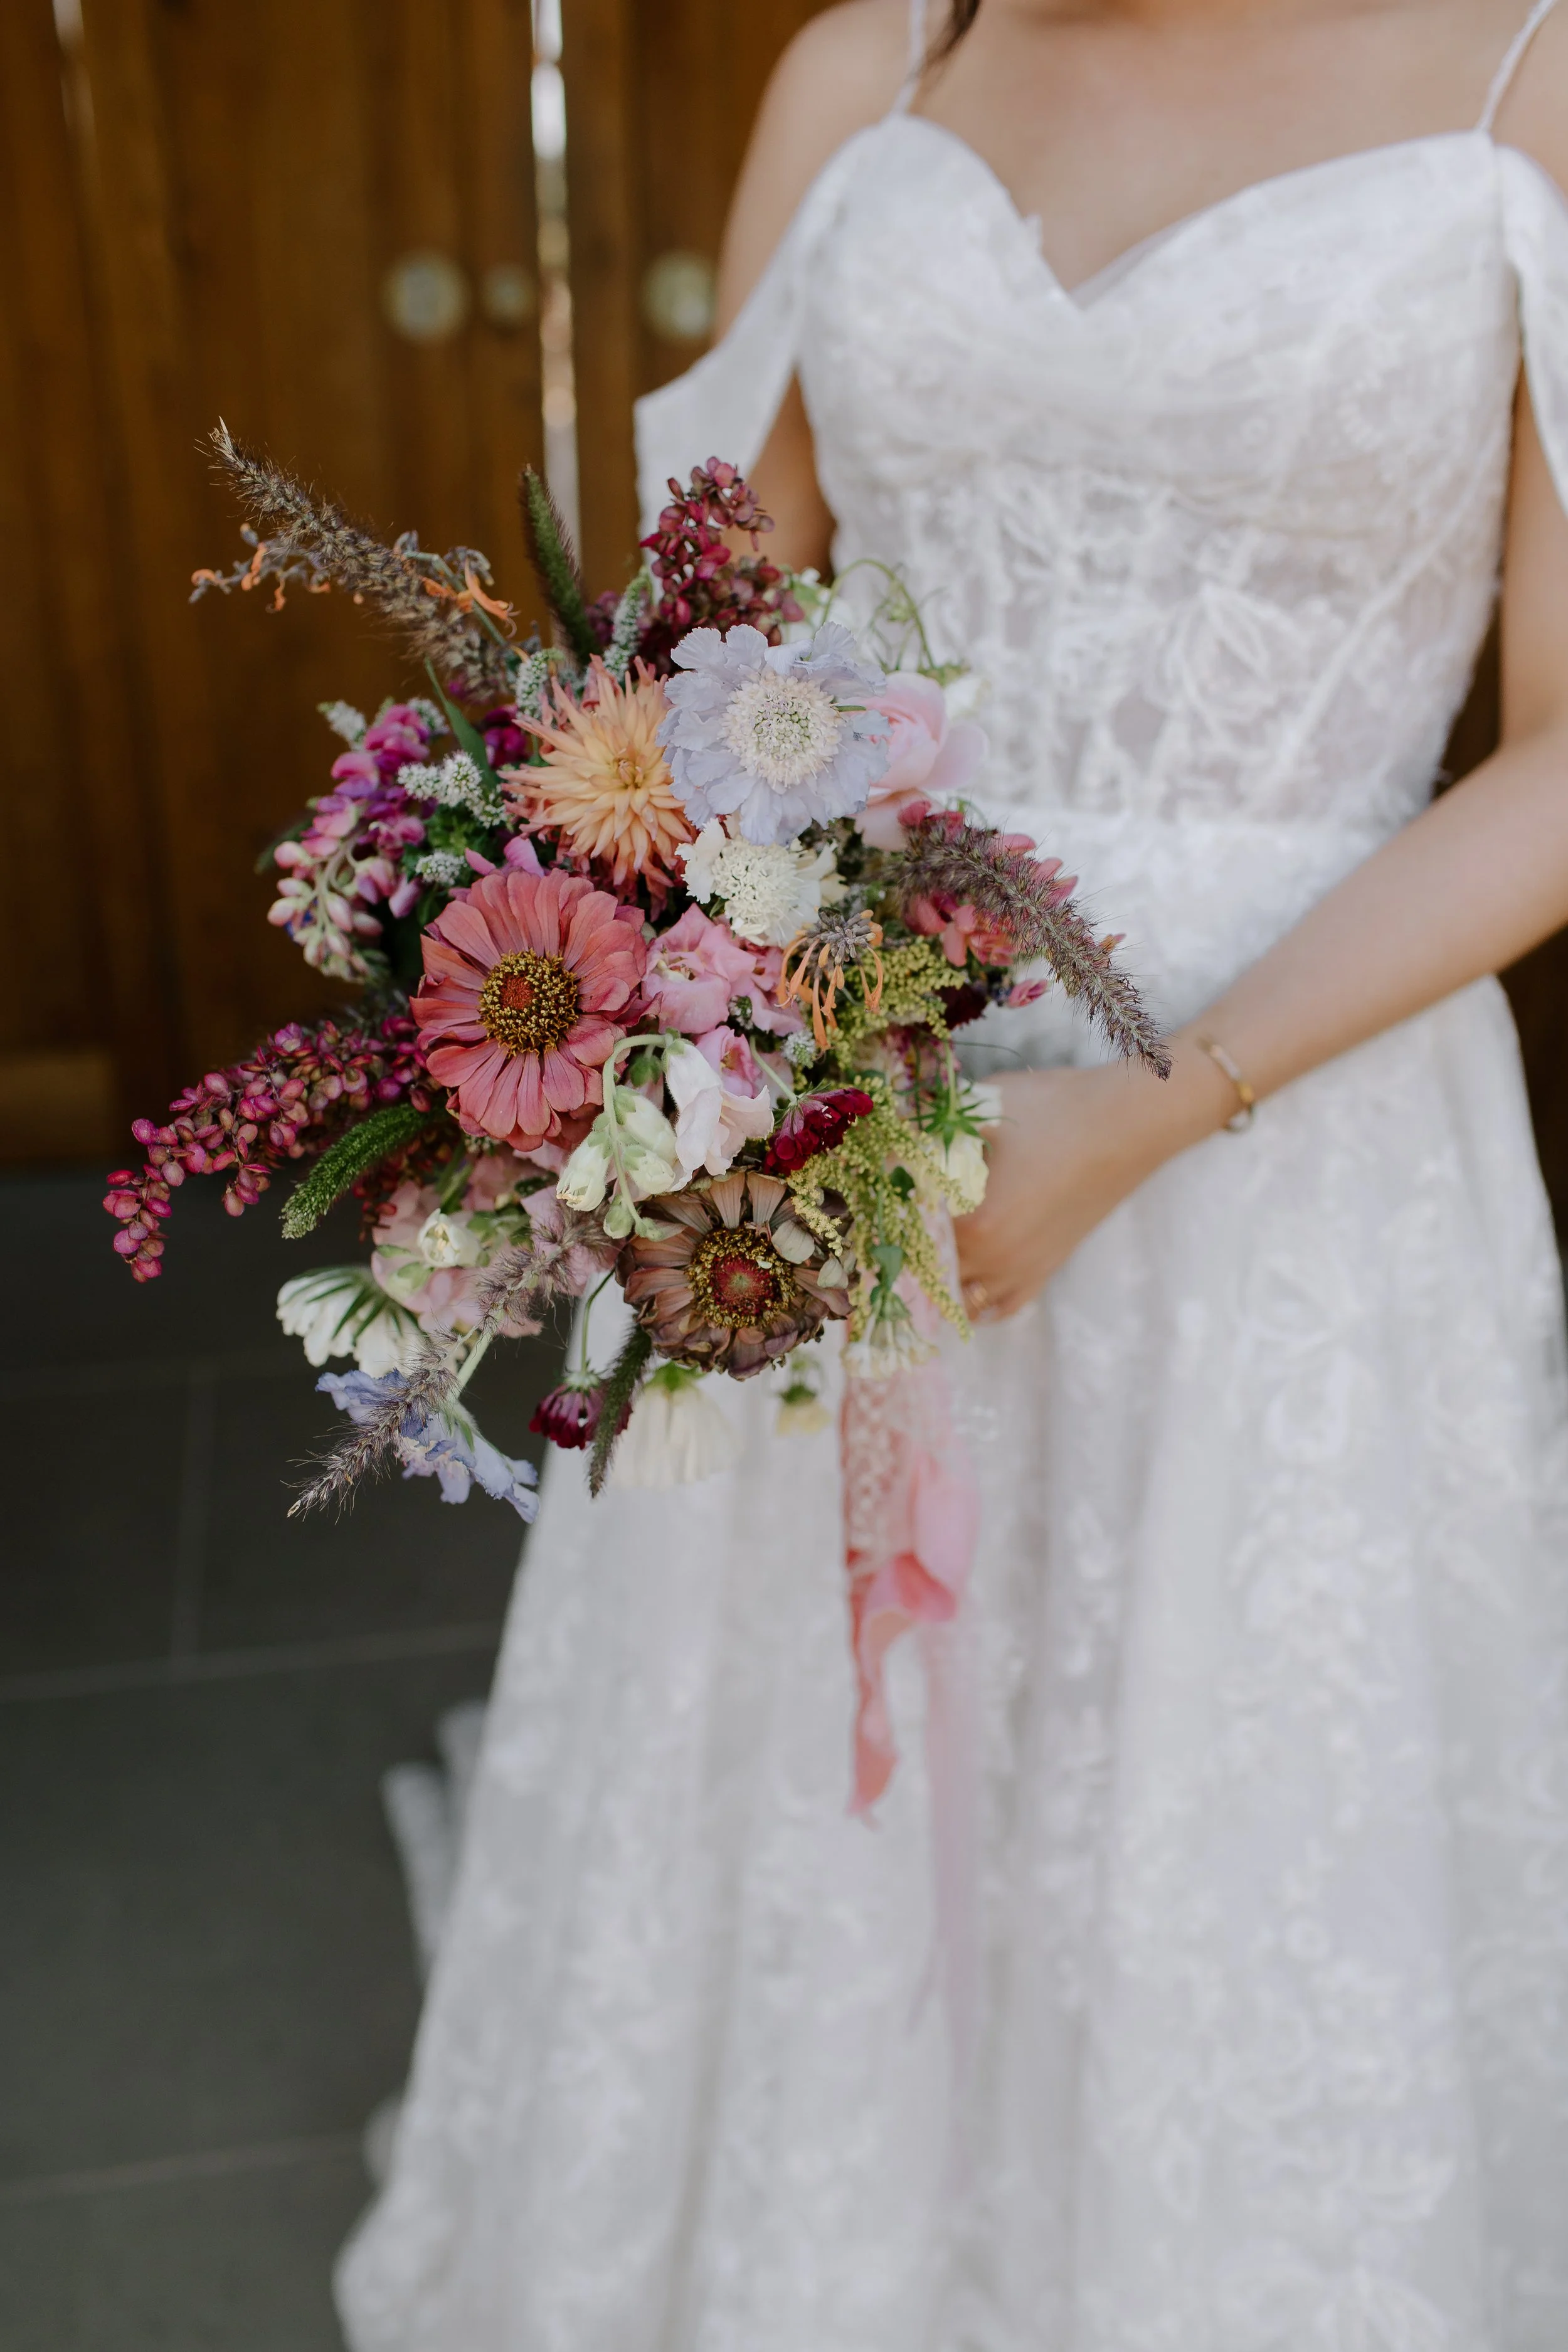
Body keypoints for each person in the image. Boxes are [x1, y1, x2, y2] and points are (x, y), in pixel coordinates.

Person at [337, 3, 1568, 2343]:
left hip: (1290, 1140)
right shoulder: (869, 67)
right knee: (816, 1783)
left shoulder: (1529, 70)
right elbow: (701, 629)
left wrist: (1143, 1108)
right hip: (828, 1096)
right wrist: (636, 987)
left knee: (1223, 1809)